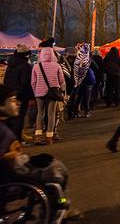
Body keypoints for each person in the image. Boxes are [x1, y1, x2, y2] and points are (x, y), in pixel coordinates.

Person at [0, 84, 82, 220]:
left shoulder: (5, 124)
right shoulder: (2, 129)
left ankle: (57, 205)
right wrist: (26, 160)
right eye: (13, 100)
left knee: (52, 166)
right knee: (57, 170)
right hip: (12, 175)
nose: (18, 103)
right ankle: (59, 206)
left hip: (14, 170)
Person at [31, 44, 65, 146]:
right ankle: (49, 137)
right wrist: (63, 92)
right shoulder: (57, 65)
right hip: (53, 93)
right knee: (51, 114)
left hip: (39, 92)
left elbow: (33, 82)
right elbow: (62, 81)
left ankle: (37, 136)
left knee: (40, 113)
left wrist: (35, 91)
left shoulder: (36, 66)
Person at [3, 44, 33, 142]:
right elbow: (26, 83)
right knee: (20, 118)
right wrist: (30, 96)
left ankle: (9, 139)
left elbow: (6, 80)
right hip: (21, 96)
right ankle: (16, 140)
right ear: (27, 55)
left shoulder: (10, 64)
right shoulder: (26, 66)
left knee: (10, 117)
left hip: (9, 95)